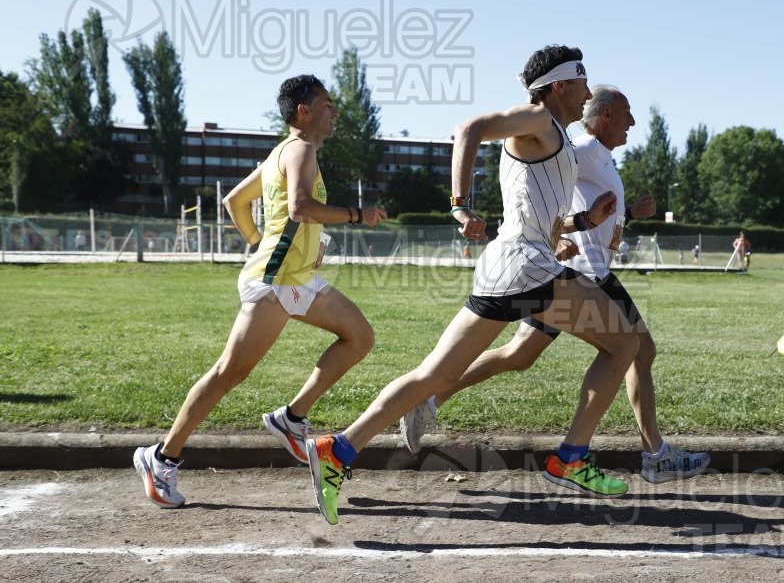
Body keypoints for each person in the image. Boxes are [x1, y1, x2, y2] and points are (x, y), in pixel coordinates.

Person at [304, 45, 640, 525]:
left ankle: (338, 449)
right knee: (623, 343)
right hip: (527, 270)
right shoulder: (536, 118)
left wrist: (585, 220)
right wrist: (459, 204)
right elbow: (470, 129)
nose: (588, 92)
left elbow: (537, 213)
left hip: (510, 267)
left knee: (434, 376)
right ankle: (571, 457)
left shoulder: (553, 137)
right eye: (583, 83)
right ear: (560, 85)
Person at [400, 85, 709, 486]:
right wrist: (553, 234)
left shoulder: (600, 157)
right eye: (627, 114)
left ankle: (430, 398)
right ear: (606, 115)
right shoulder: (578, 150)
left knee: (519, 354)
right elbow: (529, 193)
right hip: (581, 274)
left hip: (578, 272)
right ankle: (649, 455)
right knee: (636, 349)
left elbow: (590, 214)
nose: (633, 122)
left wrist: (628, 213)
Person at [133, 74, 387, 508]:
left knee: (360, 337)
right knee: (229, 373)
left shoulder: (282, 153)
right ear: (304, 111)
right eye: (327, 103)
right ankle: (162, 458)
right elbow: (302, 208)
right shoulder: (301, 149)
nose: (334, 110)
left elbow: (233, 201)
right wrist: (357, 214)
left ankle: (291, 418)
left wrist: (260, 240)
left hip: (297, 277)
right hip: (274, 281)